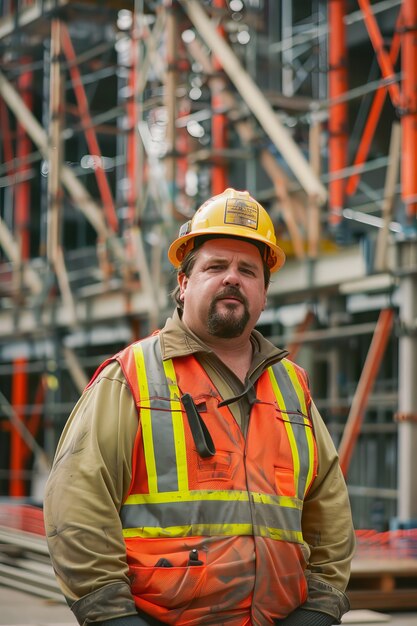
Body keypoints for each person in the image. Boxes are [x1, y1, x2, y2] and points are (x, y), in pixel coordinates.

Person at [44, 188, 355, 626]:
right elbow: (77, 503)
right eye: (215, 266)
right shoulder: (132, 375)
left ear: (264, 292)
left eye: (248, 270)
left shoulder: (291, 385)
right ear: (184, 284)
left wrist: (322, 604)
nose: (232, 278)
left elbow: (329, 506)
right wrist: (110, 614)